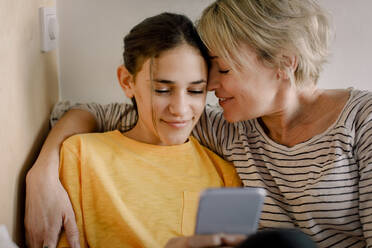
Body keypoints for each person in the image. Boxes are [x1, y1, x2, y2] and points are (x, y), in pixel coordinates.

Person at [25, 0, 372, 247]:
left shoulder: (362, 121)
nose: (210, 87)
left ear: (282, 62)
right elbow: (91, 112)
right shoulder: (230, 128)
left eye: (222, 69)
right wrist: (42, 171)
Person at [33, 12, 244, 248]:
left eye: (195, 91)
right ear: (127, 82)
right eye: (163, 90)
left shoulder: (225, 176)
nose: (180, 109)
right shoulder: (80, 156)